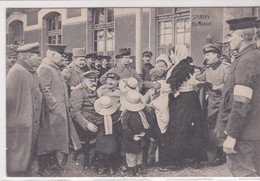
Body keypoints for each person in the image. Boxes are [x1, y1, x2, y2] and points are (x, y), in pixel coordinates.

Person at [217, 16, 260, 177]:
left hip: (243, 135)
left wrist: (232, 135)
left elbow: (241, 102)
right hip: (253, 133)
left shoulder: (246, 61)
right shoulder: (254, 57)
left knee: (243, 174)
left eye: (231, 35)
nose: (228, 40)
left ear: (242, 37)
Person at [36, 44, 81, 176]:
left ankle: (53, 164)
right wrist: (54, 106)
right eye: (61, 55)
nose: (63, 58)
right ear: (52, 55)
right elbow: (44, 89)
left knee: (55, 139)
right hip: (51, 112)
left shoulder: (53, 67)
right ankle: (43, 168)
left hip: (58, 111)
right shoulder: (45, 68)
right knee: (47, 141)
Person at [160, 44, 206, 171]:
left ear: (177, 53)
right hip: (191, 99)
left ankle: (175, 162)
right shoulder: (188, 67)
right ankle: (195, 159)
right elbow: (191, 82)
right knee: (193, 127)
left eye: (171, 53)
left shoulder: (181, 67)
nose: (170, 56)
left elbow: (171, 86)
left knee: (178, 128)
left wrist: (159, 86)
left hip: (182, 101)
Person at [6, 42, 42, 176]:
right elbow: (7, 102)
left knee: (25, 160)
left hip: (28, 125)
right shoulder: (17, 72)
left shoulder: (28, 71)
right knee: (17, 162)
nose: (39, 58)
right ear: (28, 56)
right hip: (20, 126)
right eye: (37, 56)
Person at [196, 43, 230, 166]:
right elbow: (200, 78)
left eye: (208, 54)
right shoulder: (207, 69)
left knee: (220, 129)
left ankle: (221, 155)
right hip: (209, 104)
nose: (206, 57)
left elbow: (229, 84)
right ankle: (212, 156)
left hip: (222, 103)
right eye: (205, 54)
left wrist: (218, 87)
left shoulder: (226, 67)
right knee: (210, 129)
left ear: (216, 55)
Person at [70, 70, 101, 170]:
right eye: (91, 80)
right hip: (82, 121)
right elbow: (75, 112)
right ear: (85, 79)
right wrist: (86, 124)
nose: (94, 82)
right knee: (89, 132)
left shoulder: (93, 89)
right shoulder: (78, 91)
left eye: (95, 80)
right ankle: (86, 159)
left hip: (95, 117)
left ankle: (97, 156)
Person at [120, 90, 157, 176]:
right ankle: (132, 169)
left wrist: (145, 132)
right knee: (131, 154)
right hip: (131, 137)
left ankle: (138, 168)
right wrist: (132, 135)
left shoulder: (142, 112)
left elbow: (147, 123)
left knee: (139, 152)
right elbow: (125, 127)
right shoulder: (126, 114)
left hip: (140, 135)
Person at [94, 96, 121, 175]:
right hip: (105, 136)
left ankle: (107, 166)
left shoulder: (115, 116)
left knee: (109, 151)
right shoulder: (115, 116)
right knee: (104, 152)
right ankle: (106, 166)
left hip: (108, 136)